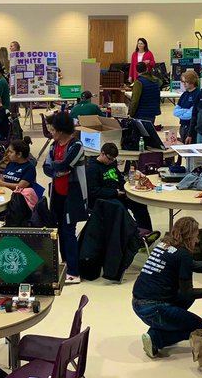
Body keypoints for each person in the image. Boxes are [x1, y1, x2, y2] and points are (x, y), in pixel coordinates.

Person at [132, 217, 202, 358]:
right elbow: (188, 292)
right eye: (196, 235)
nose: (197, 240)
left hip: (138, 302)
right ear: (190, 236)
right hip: (154, 308)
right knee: (199, 327)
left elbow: (191, 265)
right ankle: (157, 338)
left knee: (186, 299)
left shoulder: (164, 245)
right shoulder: (183, 255)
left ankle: (159, 329)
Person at [41, 112, 87, 283]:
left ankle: (74, 272)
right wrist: (56, 171)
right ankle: (66, 262)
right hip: (57, 194)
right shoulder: (54, 146)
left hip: (72, 195)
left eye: (53, 130)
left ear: (61, 130)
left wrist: (56, 167)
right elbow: (46, 167)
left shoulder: (77, 145)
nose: (51, 133)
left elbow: (67, 164)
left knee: (68, 231)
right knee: (59, 229)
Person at [86, 143, 154, 235]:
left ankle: (147, 232)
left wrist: (126, 188)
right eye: (109, 158)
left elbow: (119, 178)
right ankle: (134, 233)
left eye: (113, 159)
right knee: (120, 208)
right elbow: (94, 191)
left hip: (117, 193)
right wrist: (114, 192)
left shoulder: (112, 163)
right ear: (102, 153)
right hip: (103, 198)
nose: (111, 161)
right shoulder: (92, 168)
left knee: (139, 203)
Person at [175, 70, 199, 143]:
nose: (184, 84)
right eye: (183, 82)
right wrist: (186, 110)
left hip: (191, 127)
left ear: (192, 81)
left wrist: (182, 112)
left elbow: (190, 115)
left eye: (186, 82)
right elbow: (175, 112)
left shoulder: (197, 94)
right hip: (182, 126)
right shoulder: (184, 94)